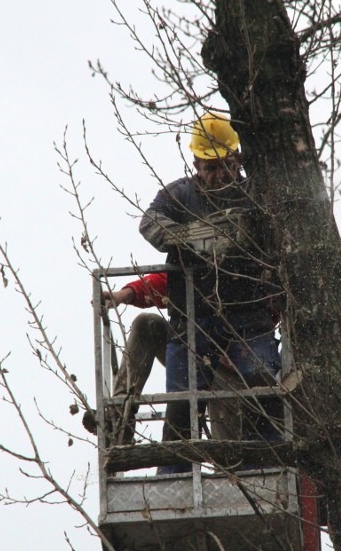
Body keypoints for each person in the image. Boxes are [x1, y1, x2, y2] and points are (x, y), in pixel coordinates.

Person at [139, 112, 283, 475]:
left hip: (249, 314)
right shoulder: (180, 195)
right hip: (194, 317)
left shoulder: (255, 196)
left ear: (238, 161)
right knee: (182, 401)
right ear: (196, 164)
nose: (221, 175)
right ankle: (175, 477)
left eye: (228, 165)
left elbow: (282, 234)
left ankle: (261, 470)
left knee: (260, 387)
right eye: (211, 167)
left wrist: (248, 236)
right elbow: (150, 221)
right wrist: (188, 237)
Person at [85, 273, 244, 444]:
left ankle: (224, 463)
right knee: (147, 324)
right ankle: (119, 418)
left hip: (231, 370)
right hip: (191, 354)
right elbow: (167, 281)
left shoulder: (246, 270)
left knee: (227, 448)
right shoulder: (200, 263)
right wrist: (124, 295)